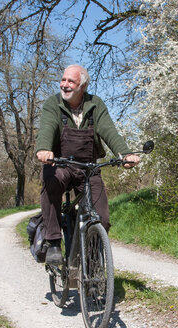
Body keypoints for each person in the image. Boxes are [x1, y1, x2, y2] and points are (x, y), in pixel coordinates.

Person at [35, 64, 140, 265]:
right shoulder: (53, 104)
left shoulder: (95, 104)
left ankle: (90, 263)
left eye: (70, 81)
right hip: (59, 164)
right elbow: (47, 127)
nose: (64, 85)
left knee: (102, 217)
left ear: (82, 86)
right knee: (50, 182)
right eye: (63, 80)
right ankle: (54, 241)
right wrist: (43, 148)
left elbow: (109, 130)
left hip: (88, 168)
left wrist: (125, 153)